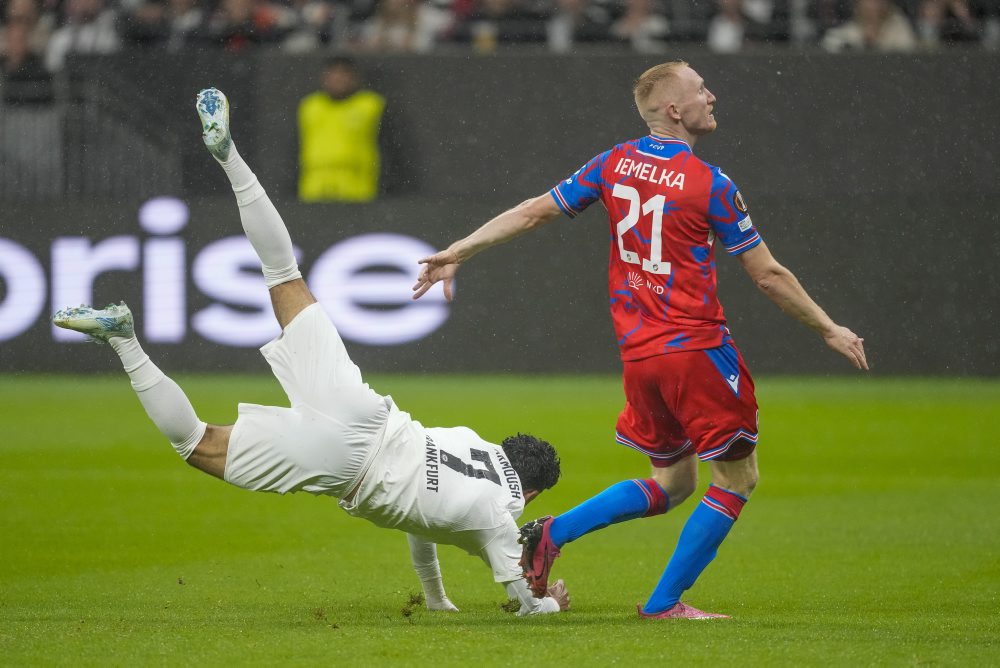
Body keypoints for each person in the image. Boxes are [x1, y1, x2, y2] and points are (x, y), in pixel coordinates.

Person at [51, 87, 569, 618]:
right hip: (347, 464)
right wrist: (550, 603)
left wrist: (437, 599)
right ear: (530, 495)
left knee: (284, 274)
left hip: (367, 413)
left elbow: (424, 523)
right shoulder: (499, 513)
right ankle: (123, 340)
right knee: (196, 444)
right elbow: (522, 601)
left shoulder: (472, 444)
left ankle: (228, 156)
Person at [412, 61, 869, 619]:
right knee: (738, 477)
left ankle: (551, 532)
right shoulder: (711, 184)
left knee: (674, 483)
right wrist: (829, 326)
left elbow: (534, 213)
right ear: (675, 109)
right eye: (701, 89)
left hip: (640, 357)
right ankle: (664, 603)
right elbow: (768, 275)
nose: (712, 95)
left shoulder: (614, 163)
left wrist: (457, 249)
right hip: (697, 351)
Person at [298, 57, 385, 202]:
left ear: (354, 78)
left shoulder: (370, 106)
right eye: (333, 74)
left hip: (357, 187)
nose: (338, 79)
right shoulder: (310, 107)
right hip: (314, 187)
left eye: (344, 74)